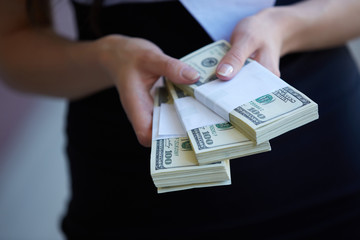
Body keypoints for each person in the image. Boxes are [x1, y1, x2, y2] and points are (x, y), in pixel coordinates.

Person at [0, 0, 360, 239]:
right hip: (135, 195)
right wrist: (105, 57)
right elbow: (11, 46)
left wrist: (284, 25)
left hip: (331, 172)